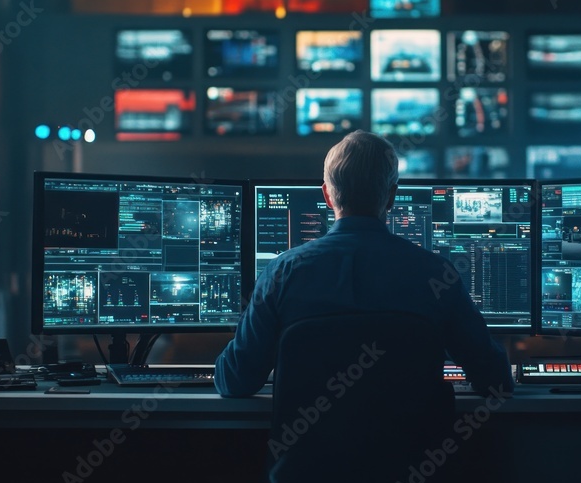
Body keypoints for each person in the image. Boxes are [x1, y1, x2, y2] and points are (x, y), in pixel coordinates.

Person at [214, 129, 514, 397]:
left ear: (327, 196)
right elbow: (497, 381)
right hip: (412, 458)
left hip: (310, 459)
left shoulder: (281, 273)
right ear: (392, 197)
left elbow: (235, 381)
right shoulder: (438, 276)